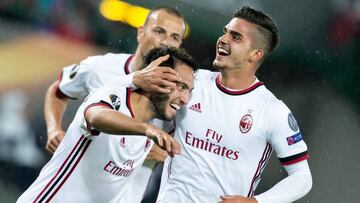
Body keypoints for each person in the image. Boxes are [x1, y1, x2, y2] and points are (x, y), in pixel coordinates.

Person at [130, 6, 312, 203]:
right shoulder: (192, 83)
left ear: (255, 54)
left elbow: (302, 178)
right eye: (225, 32)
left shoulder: (273, 111)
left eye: (236, 37)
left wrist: (256, 202)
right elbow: (143, 108)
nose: (223, 40)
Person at [17, 47, 197, 203]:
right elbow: (96, 116)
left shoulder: (155, 127)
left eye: (189, 91)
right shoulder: (113, 95)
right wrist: (147, 130)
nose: (185, 99)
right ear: (156, 77)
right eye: (180, 86)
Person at [43, 6, 186, 202]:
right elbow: (58, 91)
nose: (166, 42)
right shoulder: (102, 68)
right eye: (159, 31)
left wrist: (164, 153)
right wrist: (53, 129)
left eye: (175, 37)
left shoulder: (178, 95)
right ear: (141, 33)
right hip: (71, 190)